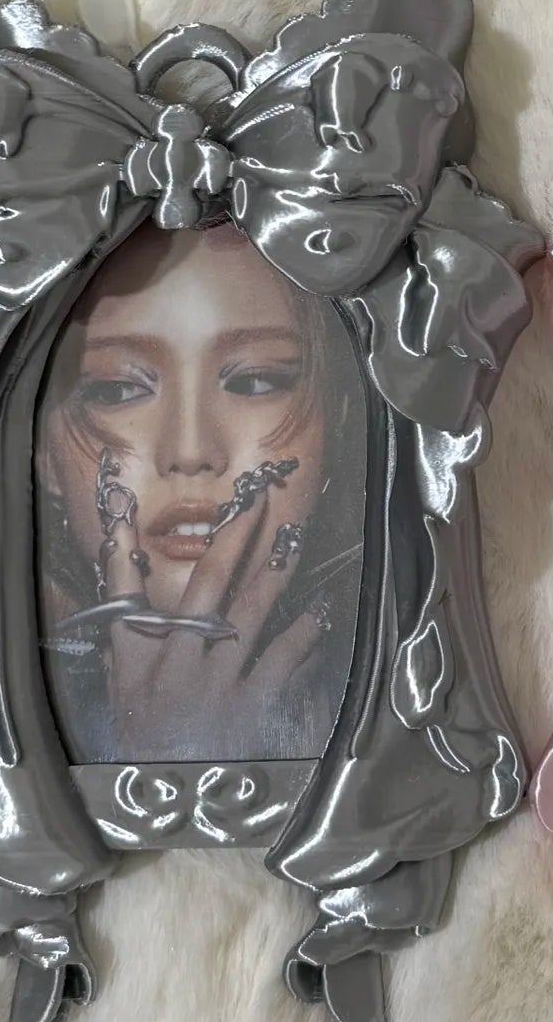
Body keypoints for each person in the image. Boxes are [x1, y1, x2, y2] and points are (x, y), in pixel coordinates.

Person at [34, 222, 365, 766]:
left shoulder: (408, 687)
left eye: (256, 381)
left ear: (339, 420)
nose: (189, 452)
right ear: (44, 452)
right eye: (118, 389)